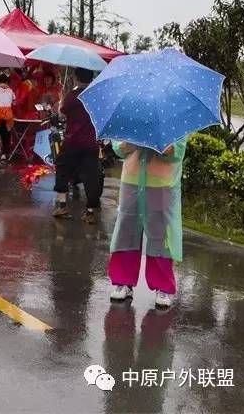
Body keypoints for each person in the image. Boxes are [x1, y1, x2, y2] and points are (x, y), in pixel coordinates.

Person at [107, 139, 186, 309]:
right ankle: (123, 282)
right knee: (126, 231)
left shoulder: (173, 120)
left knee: (160, 234)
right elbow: (118, 149)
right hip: (132, 181)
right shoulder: (131, 117)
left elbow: (178, 152)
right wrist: (129, 144)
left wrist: (159, 145)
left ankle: (163, 287)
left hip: (161, 184)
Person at [52, 67, 100, 224]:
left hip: (72, 142)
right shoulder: (96, 96)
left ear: (76, 78)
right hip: (91, 144)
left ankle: (62, 205)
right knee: (91, 177)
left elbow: (62, 112)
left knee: (62, 171)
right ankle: (90, 212)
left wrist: (61, 102)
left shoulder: (72, 96)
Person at [0, 74, 15, 162]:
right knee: (6, 135)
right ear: (7, 81)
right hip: (8, 114)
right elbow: (14, 101)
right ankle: (4, 154)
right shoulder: (11, 90)